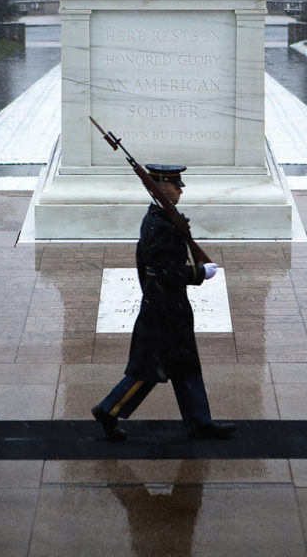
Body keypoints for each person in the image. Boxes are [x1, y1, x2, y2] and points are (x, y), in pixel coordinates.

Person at [91, 163, 237, 441]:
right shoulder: (159, 223)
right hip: (162, 310)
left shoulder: (164, 218)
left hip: (171, 307)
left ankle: (200, 422)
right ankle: (109, 408)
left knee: (186, 366)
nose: (181, 189)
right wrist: (197, 273)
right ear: (160, 189)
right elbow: (161, 270)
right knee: (148, 370)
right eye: (175, 185)